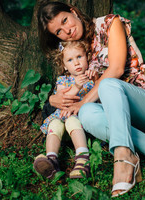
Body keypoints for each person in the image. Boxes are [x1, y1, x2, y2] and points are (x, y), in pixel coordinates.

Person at [37, 1, 145, 197]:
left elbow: (116, 69)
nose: (67, 31)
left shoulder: (109, 23)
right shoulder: (70, 49)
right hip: (111, 115)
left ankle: (123, 157)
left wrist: (82, 102)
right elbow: (68, 86)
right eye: (59, 31)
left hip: (140, 102)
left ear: (73, 11)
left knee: (106, 85)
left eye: (65, 20)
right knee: (87, 114)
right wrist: (53, 99)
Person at [33, 40, 98, 179]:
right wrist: (76, 87)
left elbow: (99, 96)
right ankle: (52, 159)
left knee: (72, 121)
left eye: (79, 57)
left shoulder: (91, 78)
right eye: (70, 60)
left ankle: (82, 159)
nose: (76, 63)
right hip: (63, 124)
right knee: (54, 124)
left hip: (81, 125)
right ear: (65, 66)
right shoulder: (63, 80)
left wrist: (96, 78)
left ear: (87, 57)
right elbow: (64, 98)